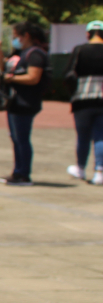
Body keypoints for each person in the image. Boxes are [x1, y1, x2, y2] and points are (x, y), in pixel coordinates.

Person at [0, 22, 50, 186]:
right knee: (16, 138)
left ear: (26, 36)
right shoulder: (20, 53)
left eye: (16, 36)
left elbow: (33, 77)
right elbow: (4, 66)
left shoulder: (35, 54)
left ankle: (24, 174)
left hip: (26, 102)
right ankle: (17, 172)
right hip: (15, 103)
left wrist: (11, 79)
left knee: (22, 139)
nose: (14, 39)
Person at [65, 20, 103, 184]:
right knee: (100, 137)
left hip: (82, 99)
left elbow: (67, 74)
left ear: (88, 34)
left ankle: (80, 168)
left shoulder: (79, 50)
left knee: (83, 136)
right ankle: (100, 171)